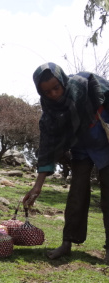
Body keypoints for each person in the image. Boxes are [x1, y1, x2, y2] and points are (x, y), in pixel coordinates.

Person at [23, 62, 109, 264]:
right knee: (76, 196)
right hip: (80, 151)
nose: (53, 94)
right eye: (47, 91)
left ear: (63, 81)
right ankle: (67, 243)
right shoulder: (50, 115)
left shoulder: (84, 84)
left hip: (103, 144)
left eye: (56, 87)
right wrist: (37, 186)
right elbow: (47, 147)